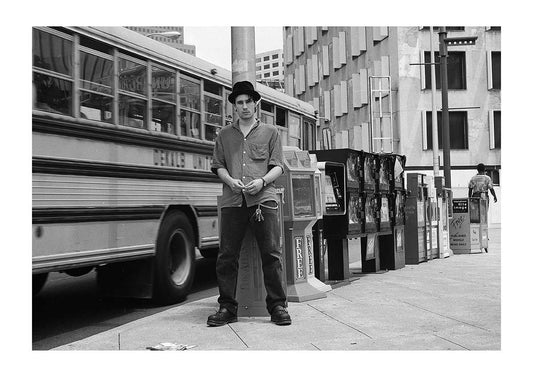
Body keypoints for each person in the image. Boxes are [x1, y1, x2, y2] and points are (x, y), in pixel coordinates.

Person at [207, 81, 291, 326]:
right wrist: (230, 180)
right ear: (234, 106)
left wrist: (262, 181)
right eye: (239, 103)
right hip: (233, 200)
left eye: (247, 102)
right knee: (226, 256)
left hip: (263, 200)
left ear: (256, 104)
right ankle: (227, 308)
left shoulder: (270, 132)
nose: (244, 106)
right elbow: (218, 165)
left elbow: (278, 166)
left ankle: (277, 307)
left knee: (271, 254)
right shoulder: (224, 135)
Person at [468, 163, 498, 253]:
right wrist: (494, 196)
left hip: (475, 197)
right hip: (484, 197)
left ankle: (476, 234)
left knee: (475, 217)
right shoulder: (487, 178)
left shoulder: (473, 178)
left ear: (477, 170)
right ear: (484, 169)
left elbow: (470, 189)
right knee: (484, 216)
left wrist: (470, 199)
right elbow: (491, 188)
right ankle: (484, 234)